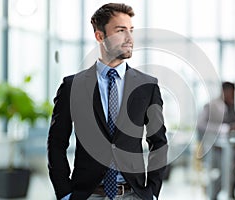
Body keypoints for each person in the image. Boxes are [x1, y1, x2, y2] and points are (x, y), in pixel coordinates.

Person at [47, 3, 168, 200]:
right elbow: (56, 142)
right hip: (87, 194)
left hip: (133, 194)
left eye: (131, 30)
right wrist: (64, 193)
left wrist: (152, 192)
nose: (130, 38)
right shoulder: (72, 86)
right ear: (100, 36)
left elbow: (159, 142)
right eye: (121, 31)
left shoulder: (147, 86)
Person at [197, 82, 235, 200]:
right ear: (225, 92)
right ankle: (216, 194)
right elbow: (201, 124)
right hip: (213, 148)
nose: (233, 97)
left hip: (230, 148)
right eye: (232, 93)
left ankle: (230, 190)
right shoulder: (211, 106)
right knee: (228, 166)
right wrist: (225, 128)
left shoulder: (231, 106)